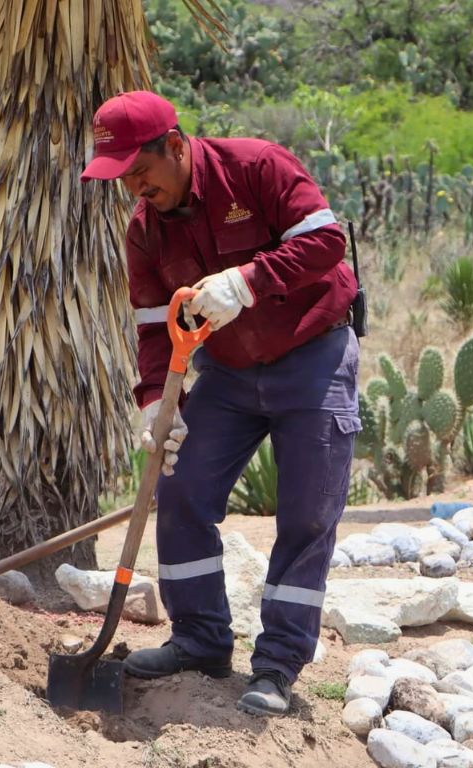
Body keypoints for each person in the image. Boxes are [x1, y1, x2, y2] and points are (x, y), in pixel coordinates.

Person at [81, 90, 361, 717]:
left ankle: (279, 664)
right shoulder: (144, 230)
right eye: (121, 177)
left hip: (312, 355)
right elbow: (155, 325)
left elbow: (327, 243)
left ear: (176, 146)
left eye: (140, 171)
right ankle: (200, 641)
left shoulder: (257, 167)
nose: (133, 188)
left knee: (307, 513)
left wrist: (249, 279)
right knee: (179, 489)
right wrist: (157, 401)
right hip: (228, 375)